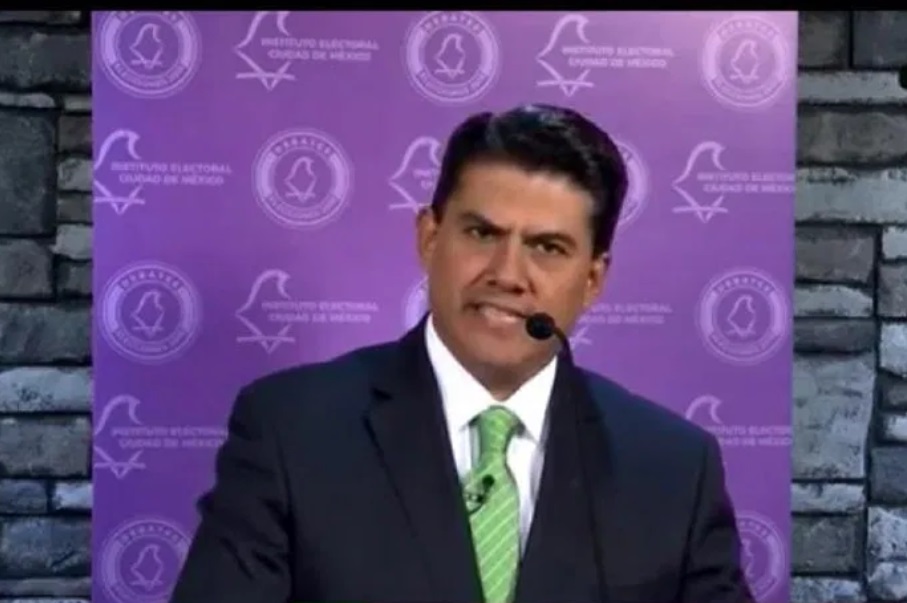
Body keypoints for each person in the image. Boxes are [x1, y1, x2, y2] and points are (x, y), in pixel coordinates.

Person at [169, 104, 753, 603]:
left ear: (593, 279)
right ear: (429, 237)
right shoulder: (292, 430)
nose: (507, 274)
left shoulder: (673, 469)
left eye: (547, 247)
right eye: (482, 234)